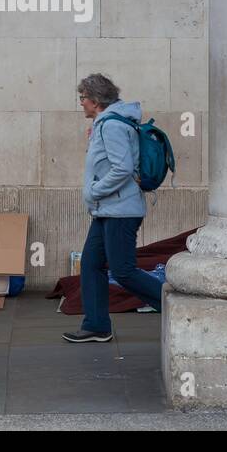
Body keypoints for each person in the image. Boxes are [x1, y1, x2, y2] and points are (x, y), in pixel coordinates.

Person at [64, 73, 163, 343]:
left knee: (123, 271)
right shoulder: (106, 123)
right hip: (107, 209)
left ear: (95, 100)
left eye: (83, 98)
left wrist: (95, 191)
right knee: (91, 264)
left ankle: (173, 305)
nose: (81, 103)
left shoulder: (112, 126)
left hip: (120, 210)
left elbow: (123, 168)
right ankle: (96, 325)